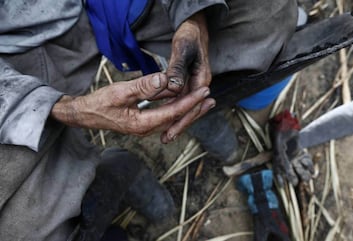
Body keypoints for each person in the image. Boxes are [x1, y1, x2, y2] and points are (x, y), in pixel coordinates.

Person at [0, 0, 297, 240]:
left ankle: (201, 101)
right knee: (19, 220)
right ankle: (99, 191)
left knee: (264, 12)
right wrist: (68, 109)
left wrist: (193, 14)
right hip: (8, 61)